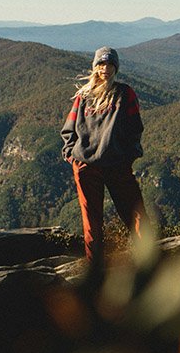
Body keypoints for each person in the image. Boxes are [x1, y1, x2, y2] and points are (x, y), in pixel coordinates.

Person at [61, 46, 151, 266]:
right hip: (86, 167)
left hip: (117, 165)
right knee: (91, 221)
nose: (105, 69)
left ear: (116, 67)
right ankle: (95, 268)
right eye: (101, 64)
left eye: (110, 64)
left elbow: (134, 128)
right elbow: (68, 129)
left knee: (135, 213)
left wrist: (128, 156)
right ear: (95, 67)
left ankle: (148, 260)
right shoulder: (83, 96)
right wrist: (72, 155)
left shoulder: (124, 93)